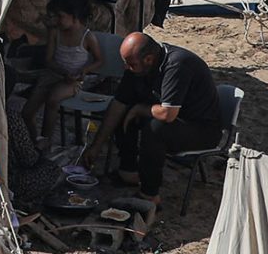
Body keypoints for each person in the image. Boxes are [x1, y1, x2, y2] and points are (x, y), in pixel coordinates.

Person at [91, 32, 224, 206]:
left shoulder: (177, 65)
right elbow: (118, 105)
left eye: (131, 64)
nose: (127, 68)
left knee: (155, 128)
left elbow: (168, 114)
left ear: (148, 59)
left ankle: (150, 194)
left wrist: (140, 109)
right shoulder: (137, 67)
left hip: (202, 129)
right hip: (174, 119)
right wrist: (95, 147)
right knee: (124, 111)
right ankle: (128, 171)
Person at [24, 0, 95, 141]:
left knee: (53, 98)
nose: (56, 21)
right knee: (27, 113)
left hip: (73, 81)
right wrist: (63, 72)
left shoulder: (87, 37)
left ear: (74, 16)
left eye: (60, 16)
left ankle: (45, 141)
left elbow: (99, 60)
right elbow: (48, 60)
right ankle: (33, 141)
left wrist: (84, 71)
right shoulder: (55, 32)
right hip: (53, 75)